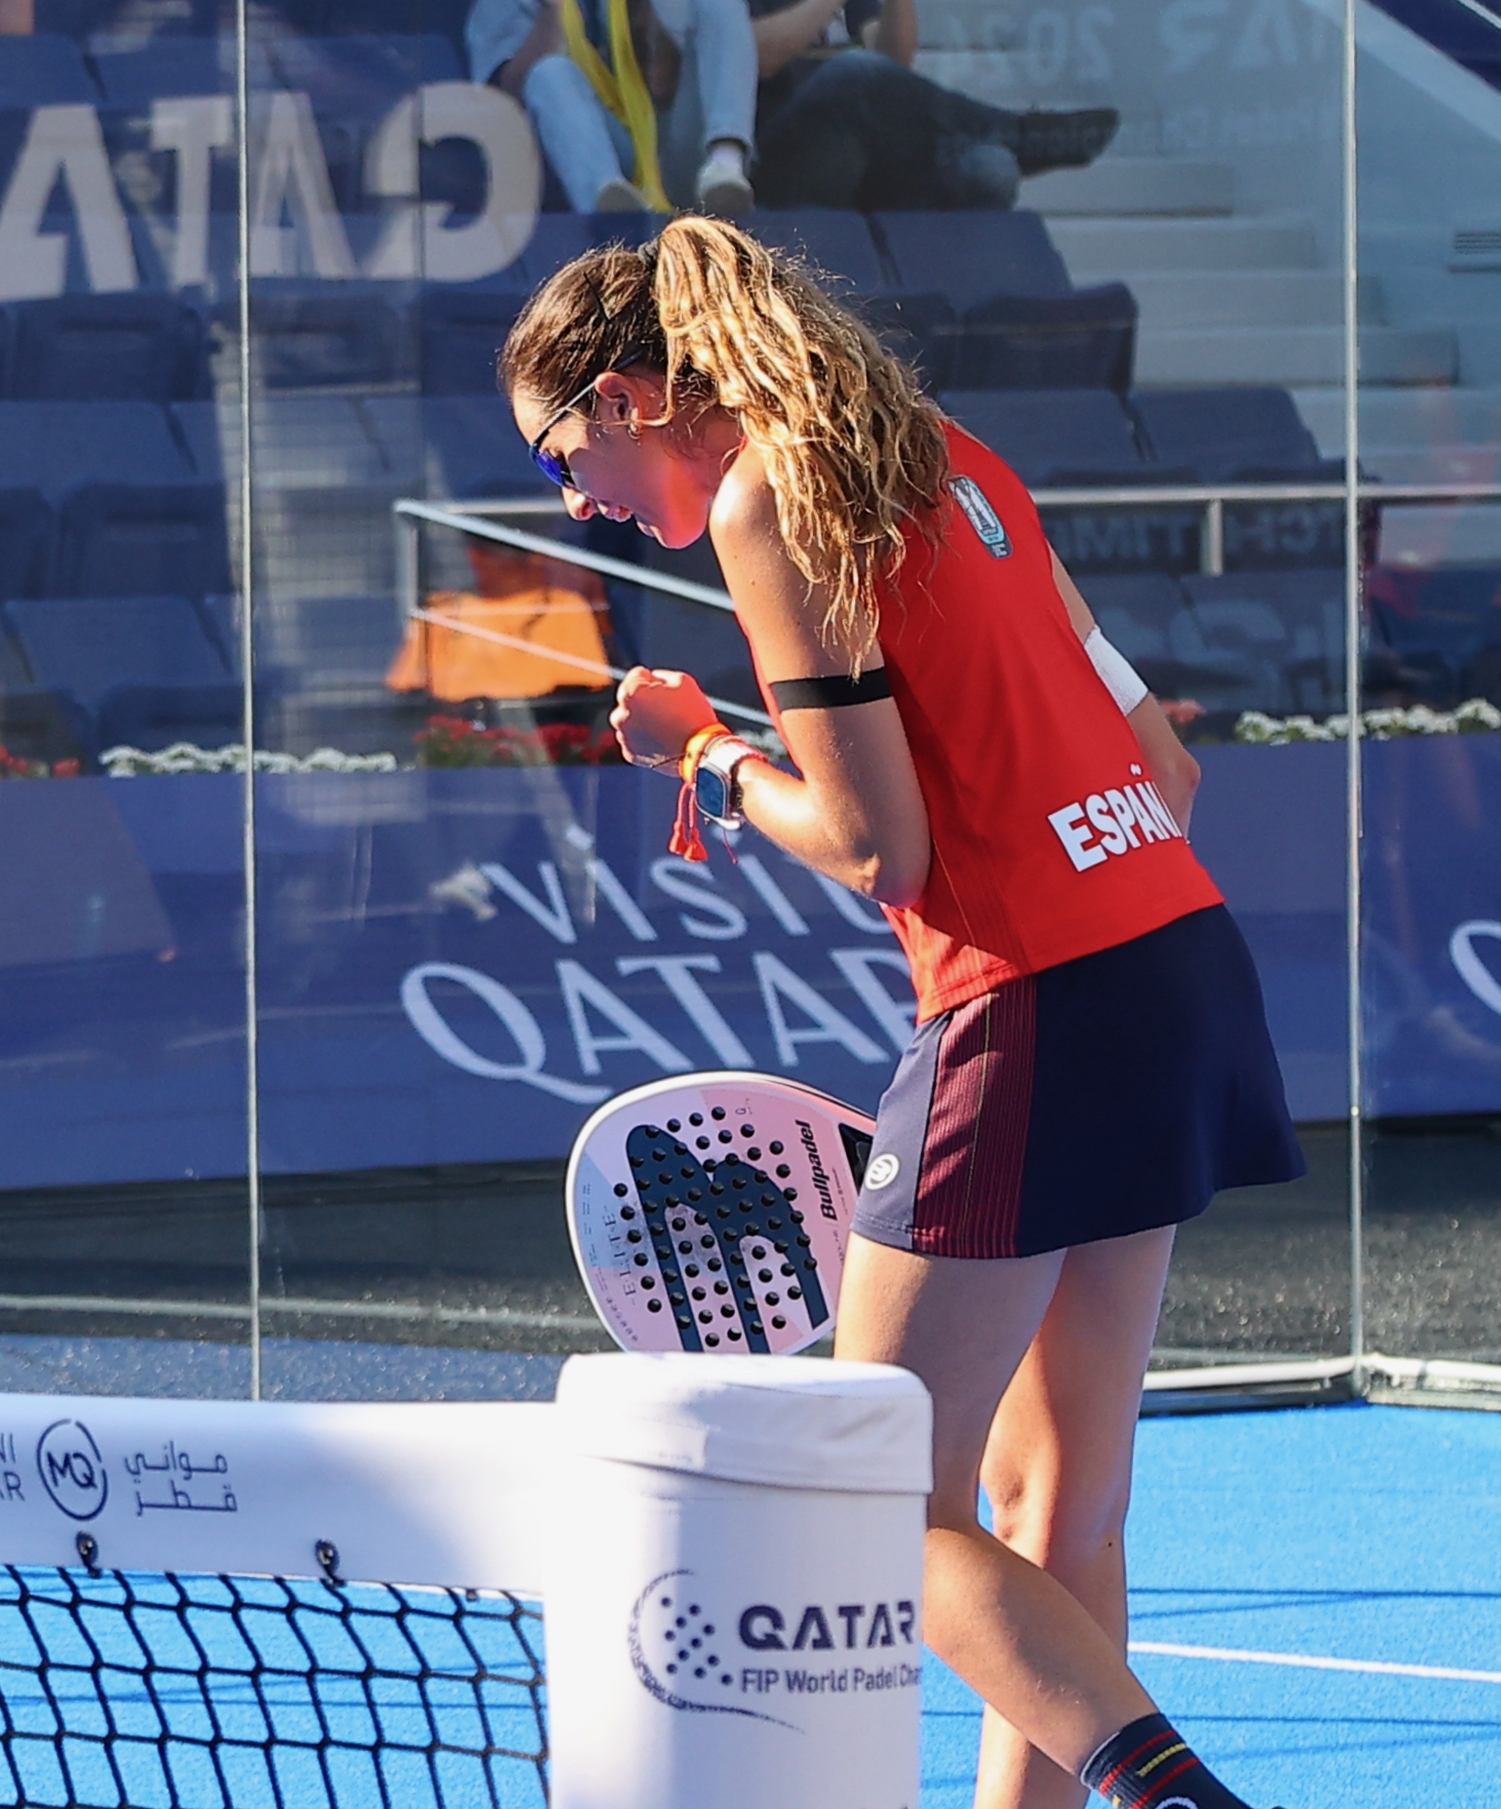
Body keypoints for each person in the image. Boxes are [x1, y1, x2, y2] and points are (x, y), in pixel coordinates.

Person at [497, 217, 1302, 1809]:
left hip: (1032, 1007)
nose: (577, 502)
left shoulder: (762, 498)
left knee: (865, 1502)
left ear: (638, 394)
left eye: (565, 456)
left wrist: (706, 756)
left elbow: (879, 847)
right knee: (1053, 1498)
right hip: (1174, 965)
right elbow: (1168, 771)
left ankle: (1179, 1799)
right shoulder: (960, 458)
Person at [748, 0, 1117, 210]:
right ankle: (1019, 132)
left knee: (991, 167)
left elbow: (892, 62)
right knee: (852, 70)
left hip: (859, 160)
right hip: (775, 164)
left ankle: (969, 323)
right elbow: (757, 55)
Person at [472, 0, 757, 216]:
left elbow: (730, 55)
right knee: (549, 71)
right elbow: (504, 99)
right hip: (608, 158)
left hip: (683, 152)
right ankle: (610, 207)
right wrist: (551, 18)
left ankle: (726, 162)